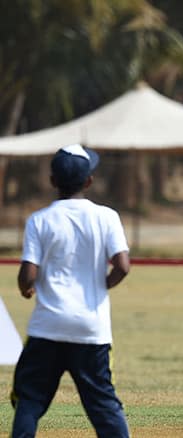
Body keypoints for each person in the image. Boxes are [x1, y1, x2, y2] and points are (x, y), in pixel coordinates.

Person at [10, 144, 131, 438]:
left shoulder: (39, 220)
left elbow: (28, 274)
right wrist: (102, 286)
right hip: (91, 328)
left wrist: (27, 288)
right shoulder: (106, 217)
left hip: (48, 327)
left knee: (29, 401)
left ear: (52, 180)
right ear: (89, 181)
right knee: (104, 406)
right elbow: (123, 266)